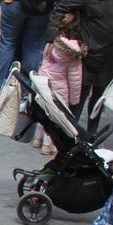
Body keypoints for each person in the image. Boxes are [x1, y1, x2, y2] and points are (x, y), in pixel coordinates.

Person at [32, 13, 85, 155]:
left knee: (43, 112)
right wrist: (74, 99)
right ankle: (48, 145)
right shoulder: (74, 55)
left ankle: (37, 139)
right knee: (55, 118)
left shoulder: (51, 44)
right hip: (60, 89)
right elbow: (75, 79)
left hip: (44, 82)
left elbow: (44, 60)